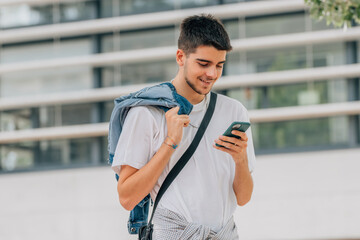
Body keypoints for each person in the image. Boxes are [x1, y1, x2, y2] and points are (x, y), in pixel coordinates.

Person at [111, 14, 255, 240]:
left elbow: (244, 198)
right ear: (181, 57)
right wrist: (170, 143)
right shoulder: (147, 113)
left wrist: (240, 159)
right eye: (203, 63)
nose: (212, 74)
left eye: (219, 65)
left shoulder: (234, 112)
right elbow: (127, 197)